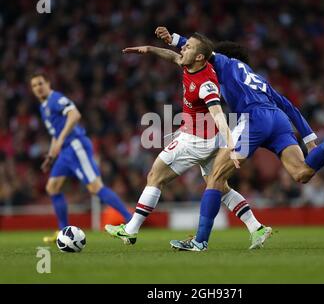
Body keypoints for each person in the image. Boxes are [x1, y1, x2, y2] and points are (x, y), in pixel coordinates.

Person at [155, 27, 324, 251]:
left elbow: (200, 48)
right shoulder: (256, 76)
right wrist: (310, 139)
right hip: (277, 119)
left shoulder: (223, 63)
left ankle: (200, 241)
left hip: (253, 118)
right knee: (302, 173)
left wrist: (174, 39)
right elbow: (288, 106)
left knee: (215, 177)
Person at [105, 33, 273, 246]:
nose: (183, 49)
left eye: (189, 47)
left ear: (200, 57)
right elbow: (172, 56)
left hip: (195, 139)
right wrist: (149, 49)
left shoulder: (206, 85)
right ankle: (257, 228)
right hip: (208, 138)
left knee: (155, 175)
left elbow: (219, 114)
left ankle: (130, 230)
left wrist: (232, 145)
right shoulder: (190, 64)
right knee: (219, 186)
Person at [30, 73, 132, 242]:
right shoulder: (43, 107)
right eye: (34, 85)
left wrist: (62, 138)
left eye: (40, 83)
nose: (38, 87)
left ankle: (130, 220)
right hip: (64, 151)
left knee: (95, 187)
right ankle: (63, 231)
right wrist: (50, 154)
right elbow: (56, 133)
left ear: (48, 83)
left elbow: (75, 114)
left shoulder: (56, 98)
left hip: (76, 146)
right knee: (52, 187)